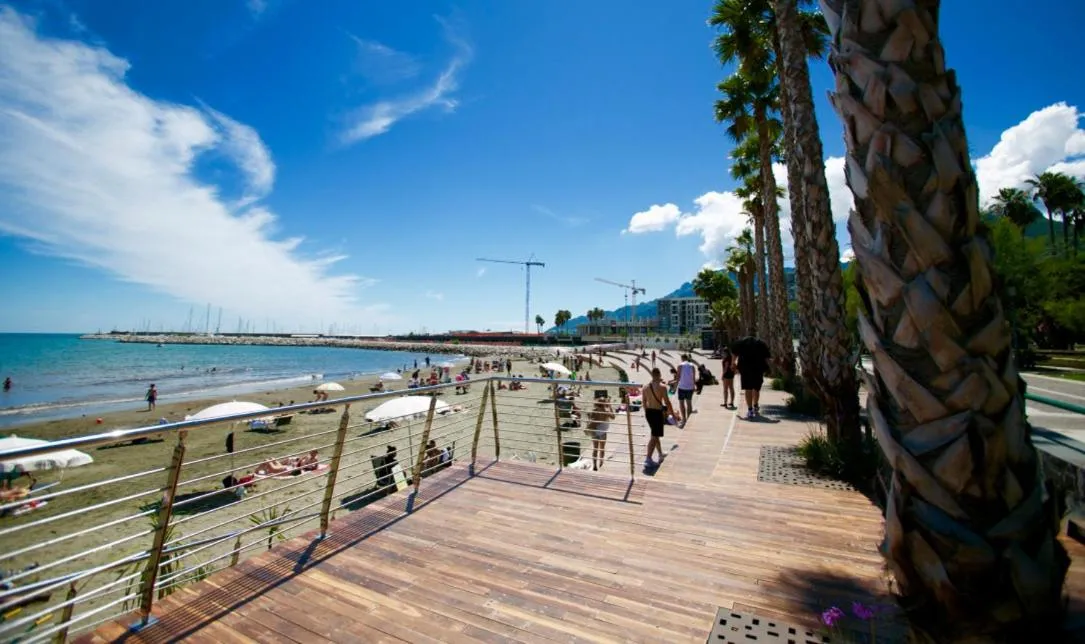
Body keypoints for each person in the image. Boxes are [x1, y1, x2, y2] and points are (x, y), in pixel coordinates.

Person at [643, 367, 678, 468]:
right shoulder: (662, 387)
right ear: (659, 375)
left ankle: (660, 454)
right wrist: (673, 415)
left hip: (649, 412)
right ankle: (648, 458)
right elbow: (667, 402)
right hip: (657, 413)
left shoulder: (645, 387)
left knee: (655, 435)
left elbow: (644, 402)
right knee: (654, 437)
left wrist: (647, 413)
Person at [733, 332, 771, 419]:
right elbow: (767, 357)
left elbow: (734, 353)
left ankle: (750, 410)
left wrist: (733, 363)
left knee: (748, 389)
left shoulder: (741, 343)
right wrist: (768, 368)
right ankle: (755, 405)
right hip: (758, 369)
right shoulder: (761, 343)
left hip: (745, 369)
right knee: (756, 389)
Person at [586, 396, 616, 471]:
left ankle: (595, 465)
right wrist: (610, 406)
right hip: (602, 433)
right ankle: (601, 462)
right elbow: (613, 417)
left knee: (595, 449)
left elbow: (589, 418)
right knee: (602, 449)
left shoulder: (594, 411)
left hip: (594, 432)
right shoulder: (605, 411)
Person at [675, 355, 697, 426]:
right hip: (690, 387)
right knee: (689, 404)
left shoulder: (680, 366)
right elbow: (693, 377)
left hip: (682, 387)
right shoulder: (692, 366)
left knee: (681, 404)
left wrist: (675, 386)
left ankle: (684, 419)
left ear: (682, 359)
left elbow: (678, 377)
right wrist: (694, 386)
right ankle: (688, 420)